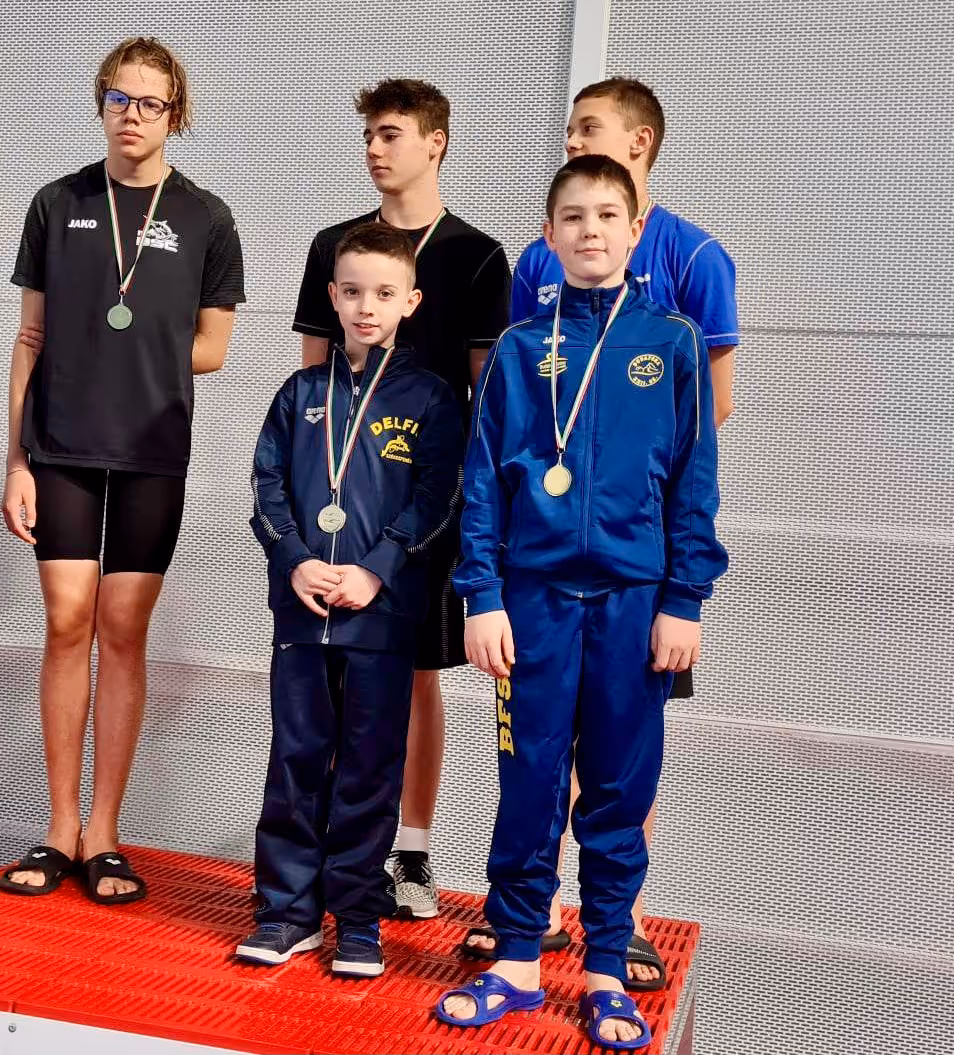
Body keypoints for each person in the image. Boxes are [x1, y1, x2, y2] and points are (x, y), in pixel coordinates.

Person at [436, 155, 728, 1049]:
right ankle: (519, 954)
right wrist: (482, 595)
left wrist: (684, 598)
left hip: (636, 603)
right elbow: (481, 482)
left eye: (607, 215)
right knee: (528, 782)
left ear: (636, 231)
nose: (590, 229)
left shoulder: (672, 342)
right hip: (533, 600)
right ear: (549, 235)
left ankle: (605, 965)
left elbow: (694, 481)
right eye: (573, 216)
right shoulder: (521, 349)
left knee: (617, 787)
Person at [0, 37, 244, 903]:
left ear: (176, 114)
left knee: (122, 627)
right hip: (60, 446)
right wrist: (16, 458)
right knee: (67, 619)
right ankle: (59, 827)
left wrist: (127, 348)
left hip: (150, 449)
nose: (133, 115)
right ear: (100, 103)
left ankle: (105, 830)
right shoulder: (57, 202)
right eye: (119, 98)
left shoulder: (207, 217)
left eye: (150, 102)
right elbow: (30, 336)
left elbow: (213, 347)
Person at [292, 78, 511, 919]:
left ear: (435, 142)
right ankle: (327, 848)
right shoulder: (333, 247)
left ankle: (408, 853)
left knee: (416, 676)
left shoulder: (477, 257)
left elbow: (487, 402)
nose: (375, 149)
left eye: (390, 134)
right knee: (332, 674)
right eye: (369, 137)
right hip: (341, 507)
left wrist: (471, 511)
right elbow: (312, 391)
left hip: (426, 510)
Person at [238, 223, 463, 976]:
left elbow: (439, 496)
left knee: (369, 767)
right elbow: (266, 488)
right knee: (296, 760)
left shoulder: (431, 398)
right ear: (332, 298)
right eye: (354, 292)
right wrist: (297, 560)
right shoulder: (299, 393)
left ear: (410, 302)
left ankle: (359, 920)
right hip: (302, 614)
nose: (368, 307)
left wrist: (377, 569)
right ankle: (287, 913)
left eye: (384, 293)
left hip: (381, 615)